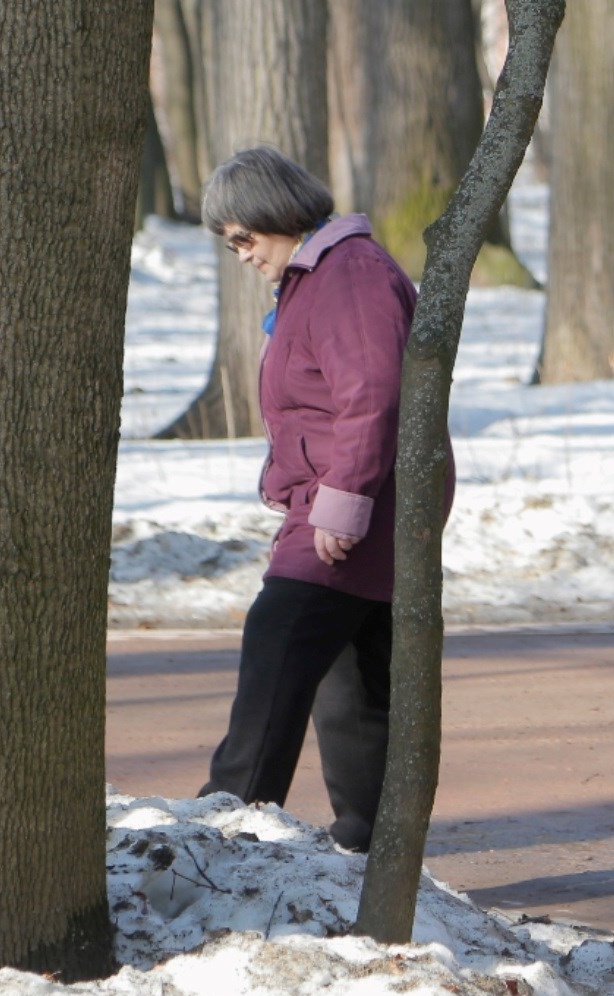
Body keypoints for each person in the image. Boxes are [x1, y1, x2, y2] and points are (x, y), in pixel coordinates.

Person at [197, 146, 451, 852]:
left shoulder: (350, 273)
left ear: (277, 214)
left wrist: (341, 502)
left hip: (352, 509)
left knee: (277, 646)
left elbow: (373, 394)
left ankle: (225, 832)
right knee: (355, 682)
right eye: (231, 245)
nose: (242, 255)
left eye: (244, 237)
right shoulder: (321, 275)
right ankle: (369, 848)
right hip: (363, 503)